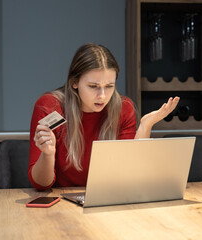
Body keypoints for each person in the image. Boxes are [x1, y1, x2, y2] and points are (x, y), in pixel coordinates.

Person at [28, 43, 179, 190]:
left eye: (109, 86)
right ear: (74, 82)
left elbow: (129, 175)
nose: (102, 96)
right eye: (93, 86)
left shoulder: (123, 108)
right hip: (61, 202)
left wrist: (146, 126)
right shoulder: (49, 106)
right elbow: (41, 184)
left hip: (107, 197)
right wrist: (48, 154)